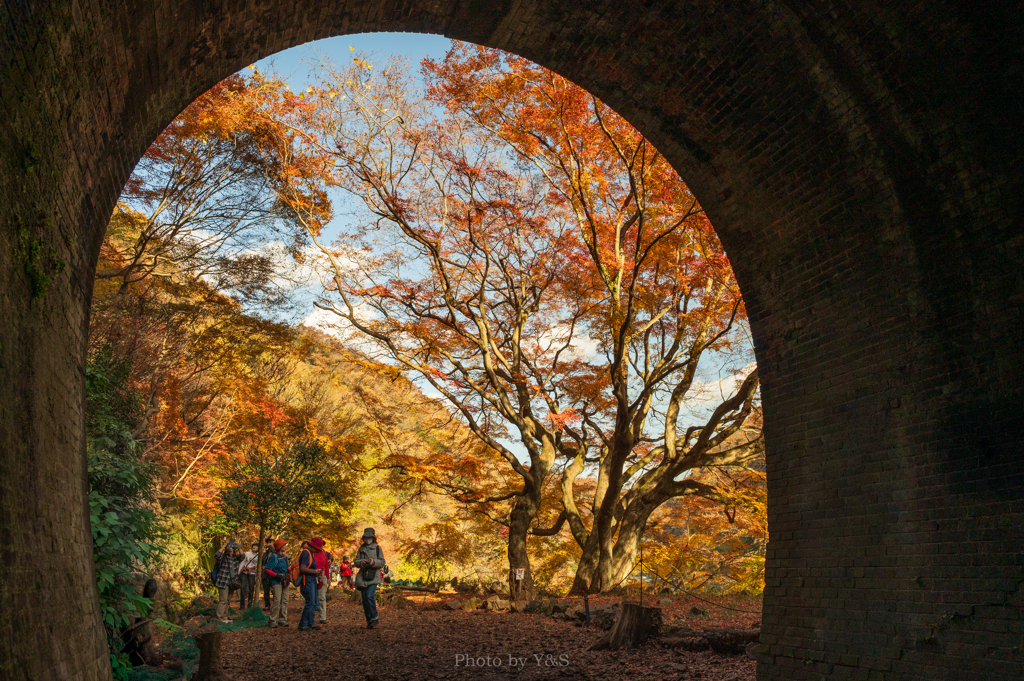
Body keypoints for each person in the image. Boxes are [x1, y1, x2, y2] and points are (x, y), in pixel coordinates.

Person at [353, 528, 386, 629]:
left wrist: (373, 562)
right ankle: (369, 620)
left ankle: (375, 617)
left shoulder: (377, 548)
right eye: (366, 537)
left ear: (373, 537)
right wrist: (362, 562)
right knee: (364, 599)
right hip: (363, 576)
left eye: (369, 537)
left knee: (369, 596)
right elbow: (356, 562)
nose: (368, 539)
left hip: (373, 575)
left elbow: (382, 562)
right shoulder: (361, 549)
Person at [297, 537, 324, 631]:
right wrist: (315, 571)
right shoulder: (306, 553)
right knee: (310, 602)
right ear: (313, 546)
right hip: (307, 580)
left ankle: (311, 623)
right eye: (317, 548)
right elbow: (302, 568)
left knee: (313, 603)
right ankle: (303, 624)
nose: (317, 550)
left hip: (312, 580)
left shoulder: (310, 553)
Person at [263, 538, 290, 628]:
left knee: (285, 600)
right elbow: (267, 569)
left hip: (285, 580)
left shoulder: (285, 557)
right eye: (284, 545)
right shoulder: (274, 557)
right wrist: (276, 575)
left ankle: (282, 619)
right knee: (277, 600)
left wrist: (291, 572)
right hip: (276, 581)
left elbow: (288, 568)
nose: (285, 546)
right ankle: (272, 620)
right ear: (279, 547)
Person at [213, 541, 241, 624]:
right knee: (223, 600)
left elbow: (243, 556)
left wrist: (238, 545)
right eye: (229, 549)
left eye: (231, 549)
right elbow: (217, 555)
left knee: (228, 601)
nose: (230, 550)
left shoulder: (235, 557)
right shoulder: (223, 557)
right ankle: (219, 617)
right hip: (223, 581)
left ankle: (225, 616)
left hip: (232, 582)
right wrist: (224, 545)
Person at [238, 542, 258, 611]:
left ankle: (250, 605)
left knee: (251, 589)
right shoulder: (247, 553)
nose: (254, 547)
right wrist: (239, 571)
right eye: (253, 546)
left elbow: (258, 566)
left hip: (252, 573)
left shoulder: (258, 556)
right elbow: (242, 562)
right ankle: (242, 605)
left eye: (256, 546)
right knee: (243, 588)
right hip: (244, 572)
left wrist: (257, 576)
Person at [316, 542, 332, 624]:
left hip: (322, 577)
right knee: (311, 597)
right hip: (312, 576)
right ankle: (309, 617)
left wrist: (328, 578)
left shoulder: (324, 553)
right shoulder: (310, 553)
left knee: (322, 597)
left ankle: (323, 617)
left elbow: (326, 566)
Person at [261, 537, 275, 610]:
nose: (268, 544)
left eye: (270, 542)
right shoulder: (265, 554)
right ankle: (267, 605)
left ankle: (275, 606)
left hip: (273, 574)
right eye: (268, 542)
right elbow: (261, 563)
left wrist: (271, 547)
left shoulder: (276, 552)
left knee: (274, 591)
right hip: (265, 574)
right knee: (266, 591)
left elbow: (274, 552)